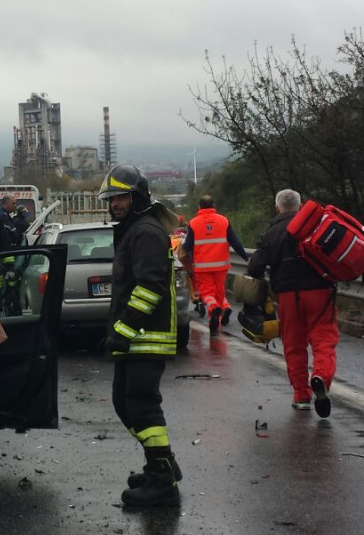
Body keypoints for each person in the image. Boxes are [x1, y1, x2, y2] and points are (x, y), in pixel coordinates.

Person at [98, 163, 182, 507]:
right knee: (124, 402)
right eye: (112, 198)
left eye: (120, 197)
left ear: (137, 196)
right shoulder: (135, 229)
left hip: (146, 338)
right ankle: (159, 463)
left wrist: (124, 330)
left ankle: (162, 482)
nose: (115, 204)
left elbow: (150, 287)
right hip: (135, 338)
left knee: (142, 406)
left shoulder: (145, 232)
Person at [247, 189, 339, 415]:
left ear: (277, 208)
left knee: (293, 344)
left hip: (288, 295)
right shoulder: (316, 225)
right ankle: (320, 377)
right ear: (300, 206)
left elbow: (255, 268)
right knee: (324, 339)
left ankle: (301, 395)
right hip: (320, 292)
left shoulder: (272, 233)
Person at [182, 195, 249, 334]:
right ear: (213, 205)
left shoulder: (194, 223)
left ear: (199, 207)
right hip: (221, 266)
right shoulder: (224, 221)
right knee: (219, 292)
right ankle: (220, 313)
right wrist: (246, 258)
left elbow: (187, 246)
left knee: (207, 293)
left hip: (202, 267)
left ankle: (213, 309)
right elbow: (235, 242)